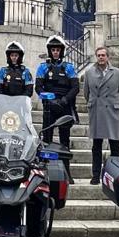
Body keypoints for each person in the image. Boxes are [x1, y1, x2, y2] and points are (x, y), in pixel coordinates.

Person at [84, 45, 119, 184]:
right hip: (97, 111)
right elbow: (86, 93)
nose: (101, 58)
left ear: (108, 57)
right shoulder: (89, 72)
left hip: (112, 111)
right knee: (96, 145)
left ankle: (116, 175)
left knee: (115, 144)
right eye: (99, 55)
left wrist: (115, 105)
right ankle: (96, 175)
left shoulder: (118, 73)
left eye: (103, 55)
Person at [35, 34, 79, 170]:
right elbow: (38, 87)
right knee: (47, 140)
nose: (55, 52)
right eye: (53, 50)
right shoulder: (43, 67)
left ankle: (66, 171)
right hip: (49, 107)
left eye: (57, 50)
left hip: (64, 107)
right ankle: (46, 170)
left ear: (61, 51)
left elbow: (75, 87)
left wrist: (64, 100)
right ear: (50, 51)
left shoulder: (69, 67)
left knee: (64, 140)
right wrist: (51, 100)